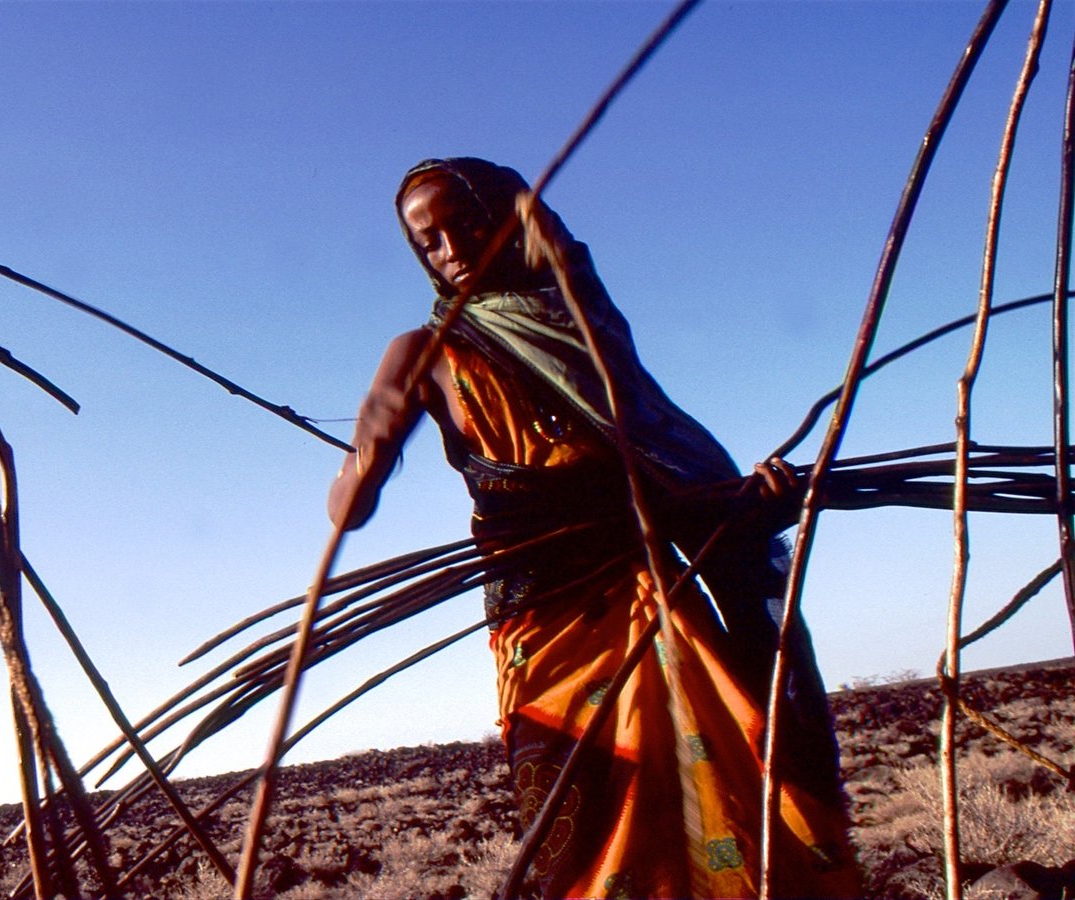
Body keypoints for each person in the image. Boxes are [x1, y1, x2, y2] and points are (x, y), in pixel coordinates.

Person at [328, 157, 859, 898]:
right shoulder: (421, 353)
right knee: (585, 813)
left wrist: (748, 504)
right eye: (429, 242)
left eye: (469, 225)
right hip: (545, 616)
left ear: (514, 223)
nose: (451, 250)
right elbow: (348, 506)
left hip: (648, 594)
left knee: (725, 775)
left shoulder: (585, 328)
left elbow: (663, 467)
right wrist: (367, 454)